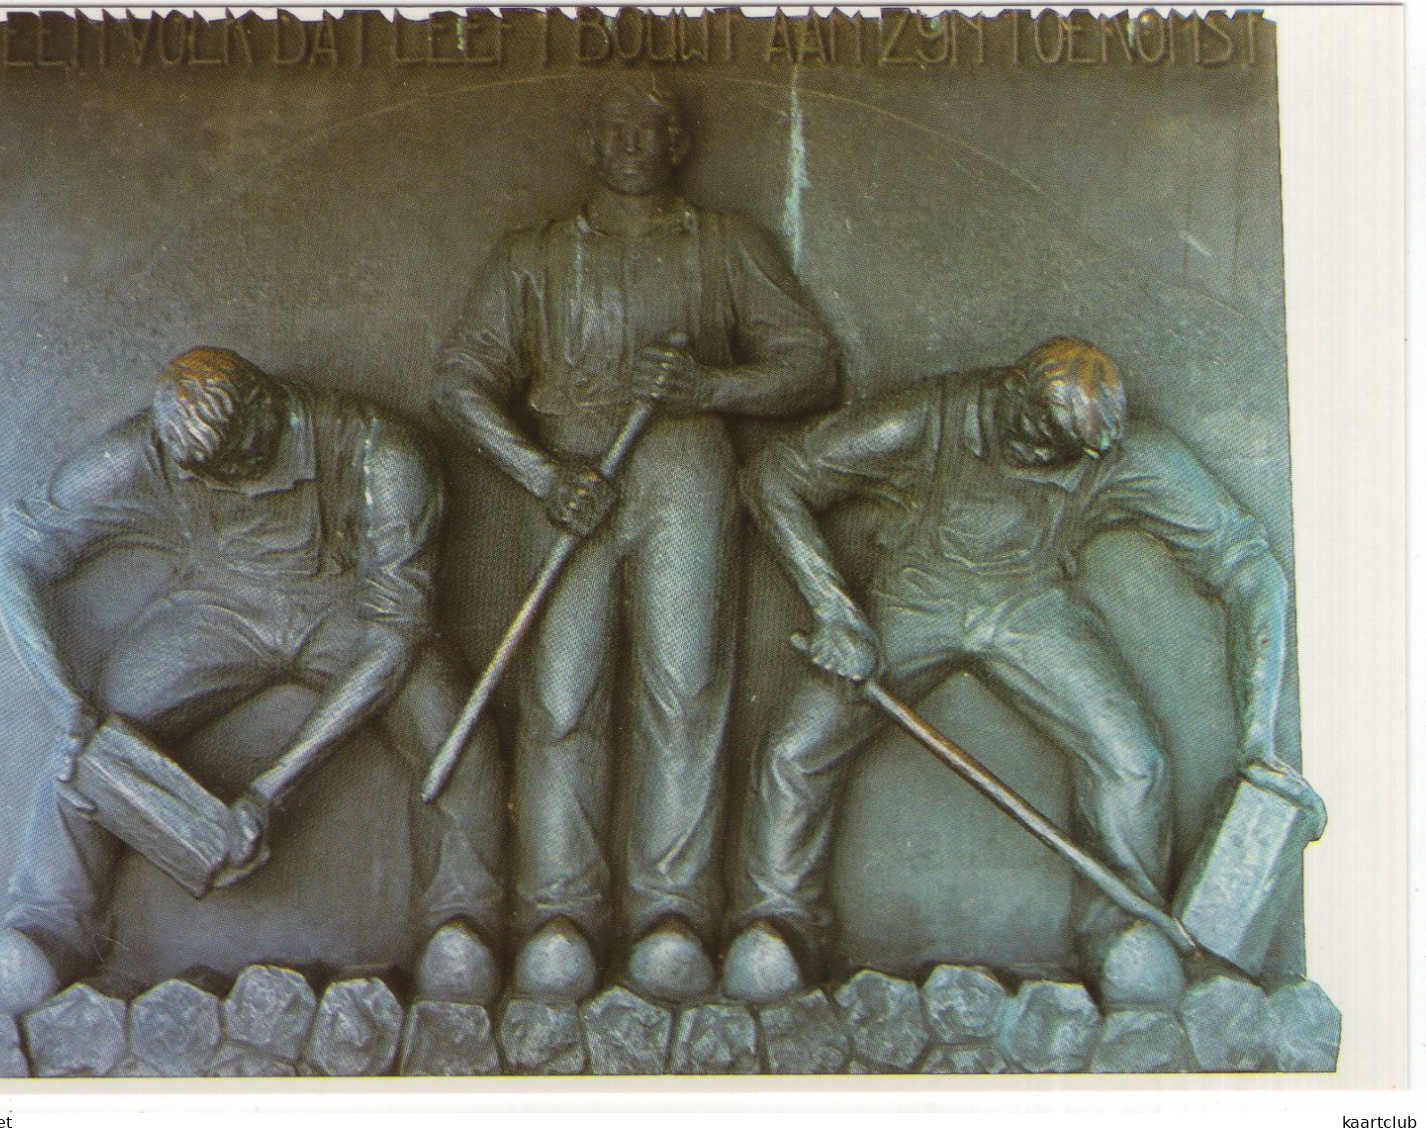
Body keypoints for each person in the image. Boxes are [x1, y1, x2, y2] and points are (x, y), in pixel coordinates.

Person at [720, 336, 1324, 1009]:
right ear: (1009, 386)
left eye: (1061, 451)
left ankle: (1122, 926)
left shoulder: (1119, 452)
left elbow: (1246, 563)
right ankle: (775, 920)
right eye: (1035, 429)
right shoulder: (922, 417)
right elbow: (773, 476)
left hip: (1028, 606)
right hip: (912, 597)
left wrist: (1258, 737)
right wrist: (834, 611)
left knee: (1133, 761)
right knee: (793, 750)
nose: (1040, 454)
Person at [435, 83, 838, 1000]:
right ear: (587, 138)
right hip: (570, 475)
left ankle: (673, 911)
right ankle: (558, 912)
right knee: (563, 693)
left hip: (686, 467)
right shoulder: (532, 256)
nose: (629, 142)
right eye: (612, 125)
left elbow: (813, 364)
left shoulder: (724, 245)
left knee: (685, 686)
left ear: (678, 140)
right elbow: (460, 381)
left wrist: (714, 387)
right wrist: (540, 476)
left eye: (648, 128)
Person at [0, 346, 506, 1012]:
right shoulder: (150, 450)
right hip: (216, 609)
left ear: (266, 404)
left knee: (452, 728)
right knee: (87, 747)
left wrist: (274, 786)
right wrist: (66, 703)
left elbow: (395, 637)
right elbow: (14, 552)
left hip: (351, 613)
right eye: (205, 471)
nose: (224, 480)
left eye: (238, 462)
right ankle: (50, 925)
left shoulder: (384, 453)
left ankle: (465, 920)